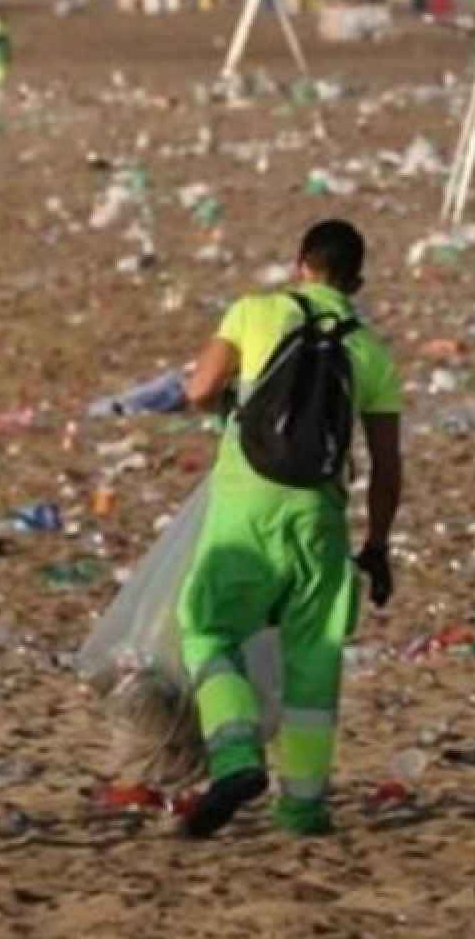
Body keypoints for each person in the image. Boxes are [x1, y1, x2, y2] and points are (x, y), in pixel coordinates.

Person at [178, 220, 403, 838]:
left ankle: (236, 754)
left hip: (244, 512)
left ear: (300, 263)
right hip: (320, 520)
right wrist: (377, 545)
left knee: (207, 627)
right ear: (356, 280)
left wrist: (228, 402)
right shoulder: (371, 352)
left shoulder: (254, 312)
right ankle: (302, 809)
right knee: (314, 663)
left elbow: (199, 389)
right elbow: (386, 465)